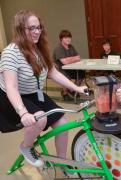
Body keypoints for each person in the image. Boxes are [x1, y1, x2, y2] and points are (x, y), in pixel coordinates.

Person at [0, 10, 87, 168]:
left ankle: (63, 162)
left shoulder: (39, 48)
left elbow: (53, 72)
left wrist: (77, 88)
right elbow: (11, 87)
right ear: (20, 29)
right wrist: (23, 112)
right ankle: (26, 146)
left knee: (62, 125)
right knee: (39, 118)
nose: (37, 31)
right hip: (11, 96)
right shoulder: (10, 53)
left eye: (38, 27)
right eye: (31, 28)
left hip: (34, 93)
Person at [53, 30, 85, 101]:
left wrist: (69, 59)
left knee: (81, 74)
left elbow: (78, 57)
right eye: (66, 37)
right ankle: (64, 93)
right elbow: (64, 62)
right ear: (61, 39)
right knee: (67, 79)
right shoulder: (59, 48)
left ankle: (72, 90)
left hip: (70, 68)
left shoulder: (71, 47)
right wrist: (73, 59)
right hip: (60, 69)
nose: (68, 39)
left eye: (69, 37)